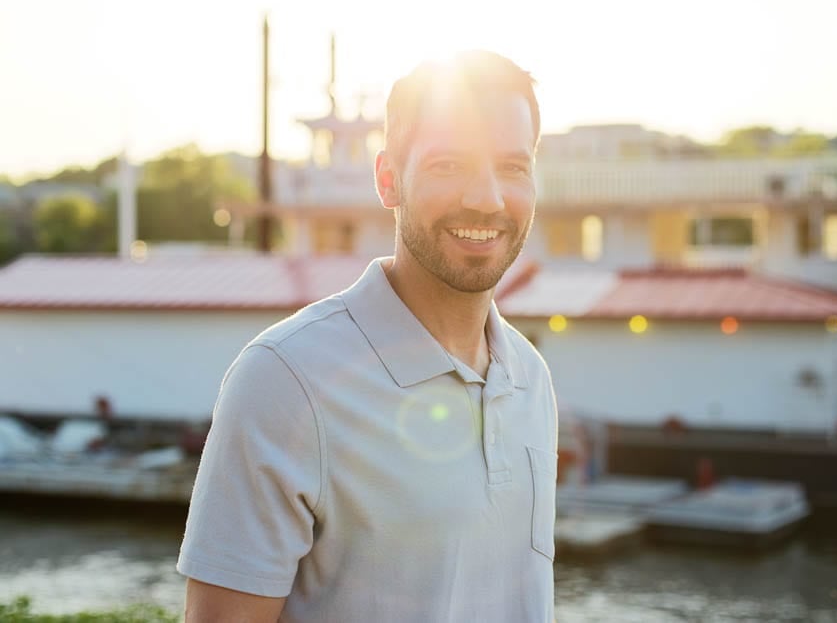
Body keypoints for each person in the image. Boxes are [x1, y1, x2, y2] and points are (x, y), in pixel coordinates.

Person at [177, 50, 559, 622]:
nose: (487, 198)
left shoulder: (530, 375)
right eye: (448, 165)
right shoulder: (285, 380)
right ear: (388, 180)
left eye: (512, 167)